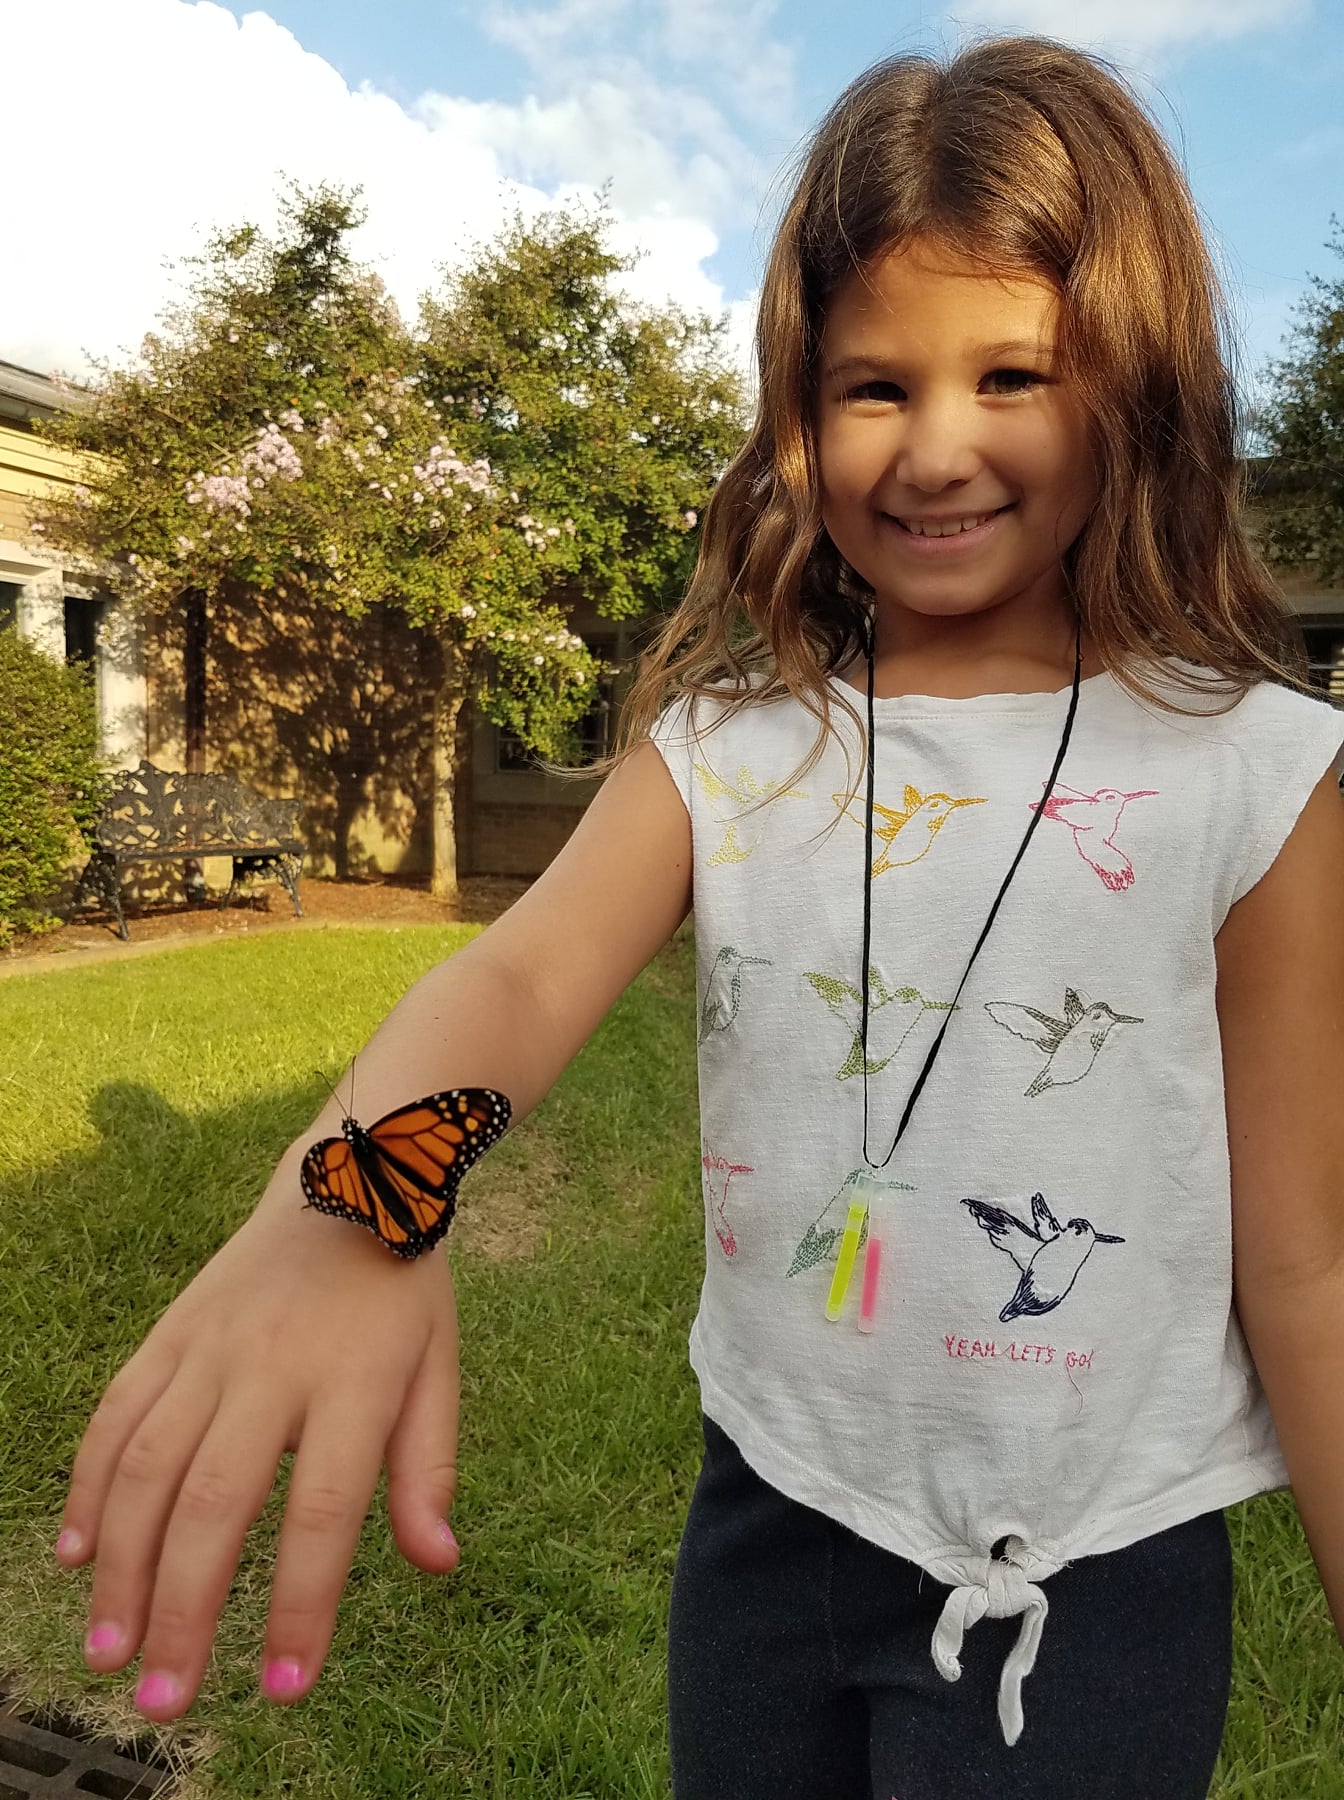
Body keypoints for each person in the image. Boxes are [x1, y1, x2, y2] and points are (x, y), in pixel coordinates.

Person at [57, 36, 1344, 1800]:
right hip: (770, 1524)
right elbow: (517, 972)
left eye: (1016, 372)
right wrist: (355, 1198)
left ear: (1139, 381)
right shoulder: (735, 748)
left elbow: (1310, 1264)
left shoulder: (1255, 772)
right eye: (870, 384)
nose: (936, 444)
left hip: (1091, 1581)